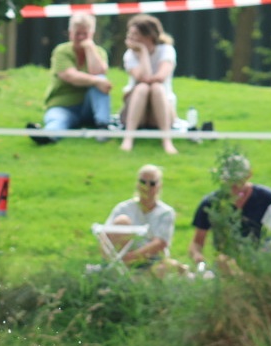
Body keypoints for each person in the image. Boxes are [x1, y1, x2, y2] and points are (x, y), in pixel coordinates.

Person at [188, 153, 271, 265]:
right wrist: (197, 256)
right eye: (229, 180)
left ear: (248, 175)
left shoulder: (265, 196)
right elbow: (197, 242)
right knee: (223, 261)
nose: (233, 184)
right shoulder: (211, 203)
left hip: (263, 250)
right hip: (230, 256)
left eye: (238, 179)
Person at [28, 12, 112, 145]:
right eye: (77, 33)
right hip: (63, 106)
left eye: (85, 33)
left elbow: (98, 72)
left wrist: (89, 48)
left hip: (88, 107)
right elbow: (70, 76)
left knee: (100, 79)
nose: (81, 37)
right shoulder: (61, 51)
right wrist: (97, 81)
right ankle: (46, 136)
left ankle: (103, 126)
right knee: (57, 120)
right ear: (70, 32)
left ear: (92, 33)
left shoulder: (99, 52)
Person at [119, 14, 179, 155]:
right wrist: (143, 53)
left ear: (149, 36)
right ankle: (128, 138)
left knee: (156, 88)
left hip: (161, 110)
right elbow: (142, 78)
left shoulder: (166, 50)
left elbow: (161, 77)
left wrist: (143, 51)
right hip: (136, 110)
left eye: (135, 34)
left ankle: (166, 140)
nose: (130, 37)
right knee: (142, 87)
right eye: (130, 33)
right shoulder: (129, 55)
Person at [101, 164, 176, 266]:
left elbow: (160, 243)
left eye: (152, 183)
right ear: (137, 184)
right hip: (122, 256)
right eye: (143, 182)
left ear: (159, 186)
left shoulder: (166, 212)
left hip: (151, 260)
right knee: (122, 221)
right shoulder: (123, 208)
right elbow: (104, 235)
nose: (147, 186)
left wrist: (131, 257)